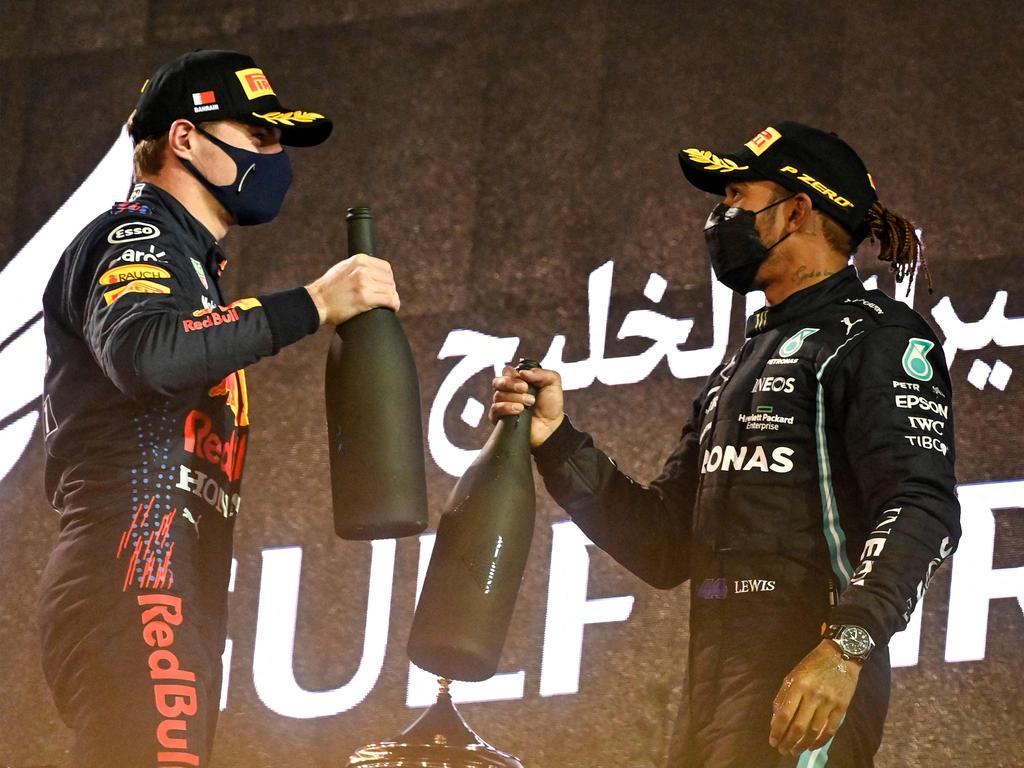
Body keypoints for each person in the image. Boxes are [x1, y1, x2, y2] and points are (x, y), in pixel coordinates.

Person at [491, 122, 960, 767]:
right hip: (714, 677)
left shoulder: (876, 337)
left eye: (737, 197)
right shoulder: (738, 366)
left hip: (806, 671)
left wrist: (845, 647)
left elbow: (921, 504)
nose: (720, 217)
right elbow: (663, 544)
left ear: (797, 209)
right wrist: (556, 443)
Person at [38, 49, 399, 766]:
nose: (277, 154)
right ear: (184, 139)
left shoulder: (195, 267)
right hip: (131, 570)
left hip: (175, 585)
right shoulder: (131, 234)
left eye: (280, 140)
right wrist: (315, 303)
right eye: (260, 136)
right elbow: (148, 352)